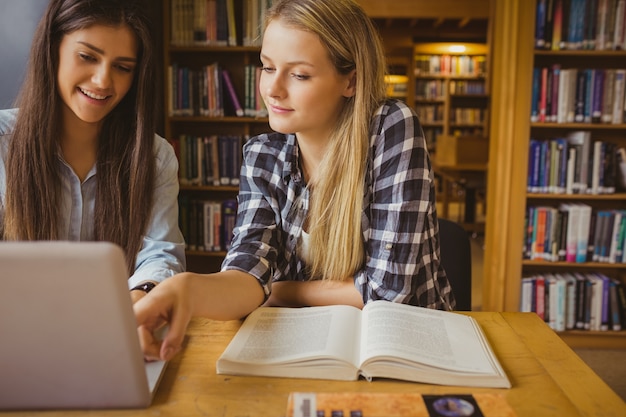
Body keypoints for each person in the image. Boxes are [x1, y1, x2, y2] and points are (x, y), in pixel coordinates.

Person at [134, 0, 455, 361]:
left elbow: (387, 291)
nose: (273, 89)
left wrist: (279, 291)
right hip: (312, 345)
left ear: (351, 80)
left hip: (406, 347)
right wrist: (188, 287)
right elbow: (245, 272)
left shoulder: (391, 128)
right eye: (267, 68)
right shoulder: (262, 155)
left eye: (299, 75)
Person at [0, 0, 185, 303]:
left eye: (123, 68)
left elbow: (160, 255)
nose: (103, 81)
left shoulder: (154, 157)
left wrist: (139, 302)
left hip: (116, 322)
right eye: (87, 57)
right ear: (52, 48)